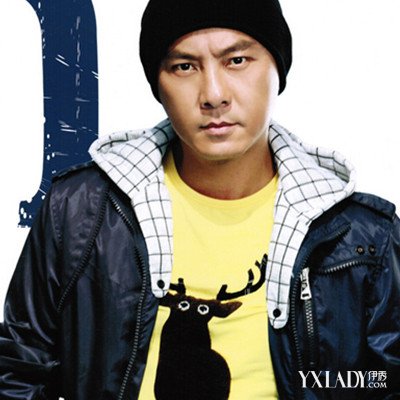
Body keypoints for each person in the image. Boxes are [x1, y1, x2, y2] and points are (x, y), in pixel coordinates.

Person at [0, 0, 399, 399]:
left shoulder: (363, 237)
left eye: (237, 60)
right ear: (158, 85)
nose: (213, 94)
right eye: (184, 67)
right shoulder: (80, 211)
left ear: (277, 70)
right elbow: (19, 371)